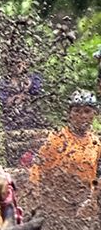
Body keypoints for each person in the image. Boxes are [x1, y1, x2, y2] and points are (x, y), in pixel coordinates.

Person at [30, 89, 101, 217]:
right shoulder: (57, 139)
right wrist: (35, 196)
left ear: (94, 114)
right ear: (70, 114)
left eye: (87, 111)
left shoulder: (95, 143)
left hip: (83, 204)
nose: (82, 116)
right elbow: (37, 168)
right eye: (77, 111)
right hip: (58, 202)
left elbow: (95, 176)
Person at [0, 54, 45, 166]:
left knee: (35, 159)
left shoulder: (34, 78)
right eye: (14, 63)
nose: (18, 66)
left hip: (33, 124)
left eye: (20, 62)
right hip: (12, 126)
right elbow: (5, 104)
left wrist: (26, 87)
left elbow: (38, 92)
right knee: (15, 160)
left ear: (26, 63)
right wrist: (22, 94)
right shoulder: (4, 83)